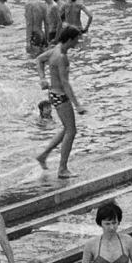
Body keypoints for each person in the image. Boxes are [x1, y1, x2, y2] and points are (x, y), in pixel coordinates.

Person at [37, 26, 84, 176]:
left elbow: (39, 59)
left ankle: (44, 155)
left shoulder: (55, 49)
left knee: (67, 128)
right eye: (76, 40)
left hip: (53, 94)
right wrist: (77, 105)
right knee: (71, 130)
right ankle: (62, 169)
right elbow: (65, 83)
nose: (77, 42)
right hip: (61, 96)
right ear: (70, 39)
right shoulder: (62, 57)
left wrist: (43, 78)